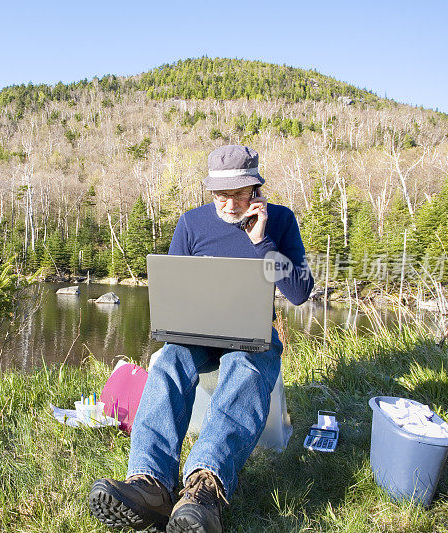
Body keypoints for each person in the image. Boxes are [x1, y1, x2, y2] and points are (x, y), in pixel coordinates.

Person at [88, 145, 314, 533]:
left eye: (239, 195)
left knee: (245, 365)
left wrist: (262, 243)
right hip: (197, 334)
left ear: (257, 191)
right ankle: (151, 484)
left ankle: (205, 489)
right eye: (220, 196)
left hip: (253, 335)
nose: (229, 205)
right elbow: (175, 295)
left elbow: (299, 292)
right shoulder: (191, 224)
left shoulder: (279, 221)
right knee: (170, 359)